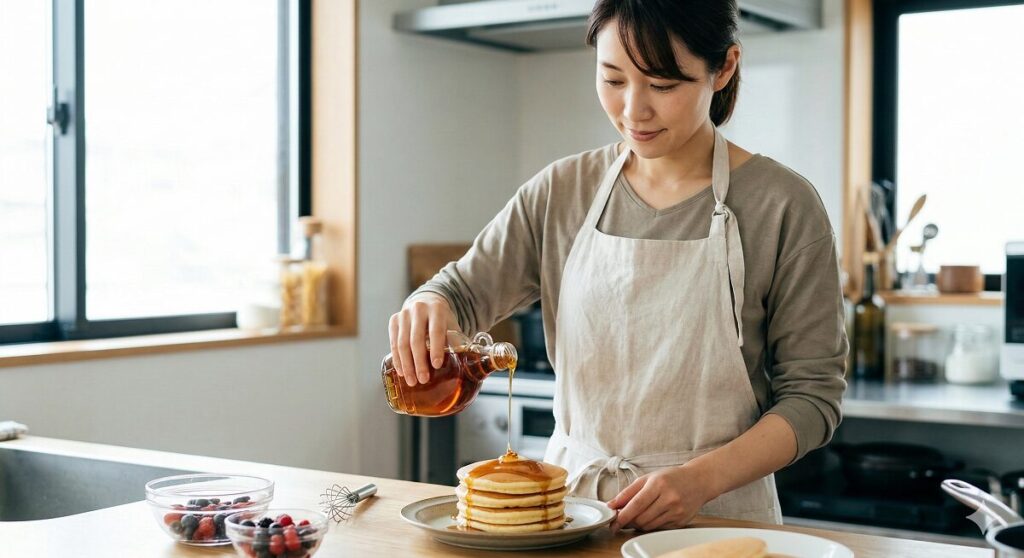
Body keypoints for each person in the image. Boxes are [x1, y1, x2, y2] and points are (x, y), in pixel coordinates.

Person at [388, 0, 848, 532]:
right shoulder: (562, 190)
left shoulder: (782, 204)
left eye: (663, 85)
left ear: (723, 68)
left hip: (716, 519)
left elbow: (813, 398)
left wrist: (698, 480)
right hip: (567, 515)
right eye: (612, 80)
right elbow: (461, 293)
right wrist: (429, 303)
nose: (634, 111)